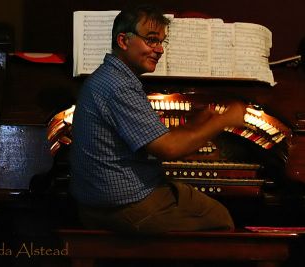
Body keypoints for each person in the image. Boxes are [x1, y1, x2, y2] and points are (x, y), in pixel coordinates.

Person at [69, 4, 246, 234]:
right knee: (219, 222)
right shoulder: (118, 86)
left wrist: (195, 126)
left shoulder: (115, 76)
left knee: (203, 204)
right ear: (123, 41)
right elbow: (168, 148)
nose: (160, 49)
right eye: (152, 40)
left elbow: (157, 140)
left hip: (119, 194)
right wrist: (223, 120)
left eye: (162, 42)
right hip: (121, 206)